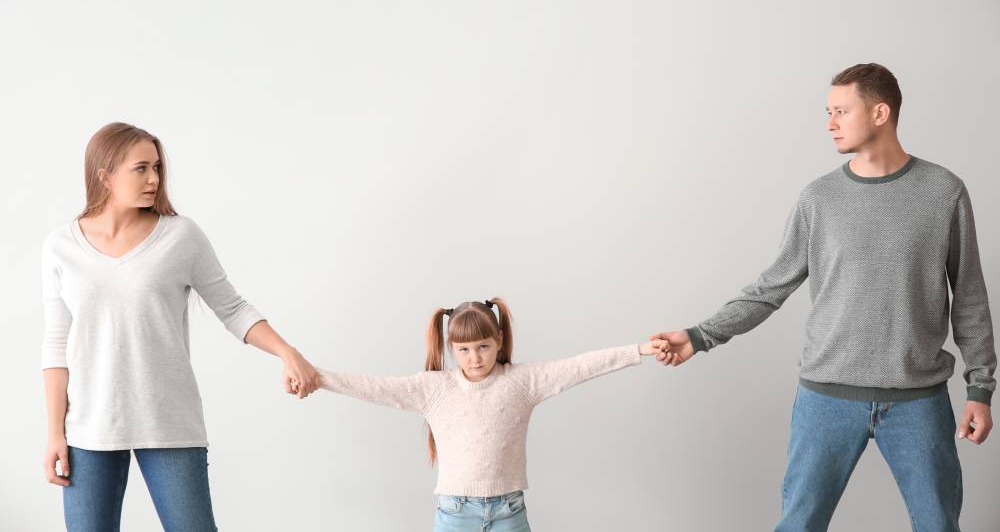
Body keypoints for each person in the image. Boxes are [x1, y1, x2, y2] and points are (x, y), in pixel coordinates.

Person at [652, 63, 996, 531]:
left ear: (880, 112)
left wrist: (981, 388)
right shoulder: (820, 199)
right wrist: (700, 336)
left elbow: (970, 297)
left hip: (919, 401)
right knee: (799, 525)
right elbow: (771, 287)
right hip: (826, 399)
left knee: (938, 525)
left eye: (840, 110)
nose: (829, 122)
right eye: (828, 111)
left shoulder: (944, 192)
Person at [40, 122, 321, 531]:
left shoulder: (180, 236)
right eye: (141, 168)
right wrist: (54, 434)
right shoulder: (60, 246)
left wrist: (287, 352)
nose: (154, 178)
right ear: (105, 173)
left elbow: (234, 309)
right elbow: (56, 345)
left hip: (169, 422)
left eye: (157, 167)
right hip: (89, 428)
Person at [313, 298, 658, 531]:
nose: (474, 358)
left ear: (499, 340)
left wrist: (639, 350)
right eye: (463, 350)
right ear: (451, 348)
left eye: (483, 347)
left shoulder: (522, 382)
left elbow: (579, 367)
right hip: (454, 515)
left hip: (509, 513)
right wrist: (316, 377)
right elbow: (373, 386)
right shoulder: (434, 388)